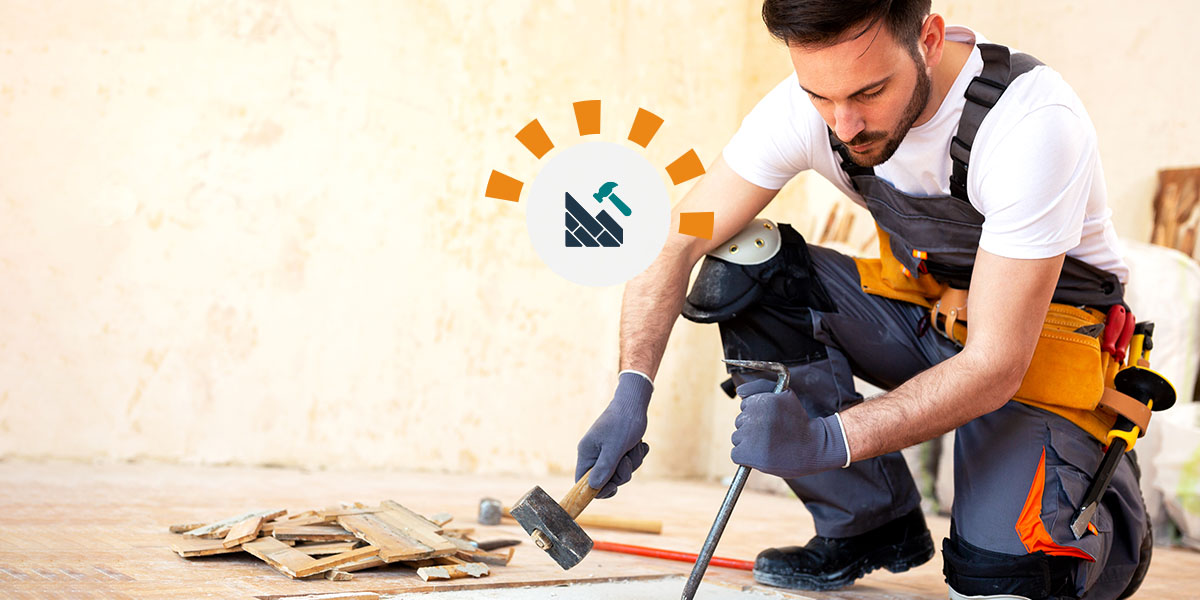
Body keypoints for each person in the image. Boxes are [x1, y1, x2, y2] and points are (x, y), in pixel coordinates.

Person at [572, 2, 1154, 599]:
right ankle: (868, 523)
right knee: (742, 265)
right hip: (933, 320)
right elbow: (676, 240)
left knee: (1000, 582)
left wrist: (829, 440)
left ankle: (1105, 516)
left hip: (1038, 357)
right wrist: (631, 390)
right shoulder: (810, 106)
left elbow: (996, 364)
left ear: (928, 39)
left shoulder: (1031, 124)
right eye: (820, 97)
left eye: (870, 92)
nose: (843, 124)